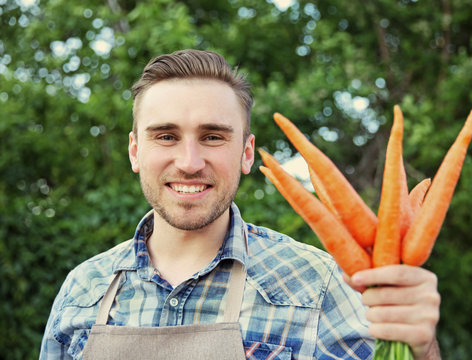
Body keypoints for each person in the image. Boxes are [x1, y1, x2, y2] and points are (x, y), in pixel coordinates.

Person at [40, 49, 441, 359]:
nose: (189, 162)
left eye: (213, 137)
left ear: (247, 153)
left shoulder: (317, 285)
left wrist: (420, 349)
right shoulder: (82, 290)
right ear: (134, 151)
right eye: (166, 136)